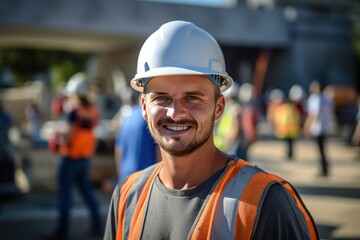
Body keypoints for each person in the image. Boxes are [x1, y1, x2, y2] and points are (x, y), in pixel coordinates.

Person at [104, 20, 318, 240]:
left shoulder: (265, 202)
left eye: (192, 98)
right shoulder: (126, 196)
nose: (175, 113)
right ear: (144, 107)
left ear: (219, 108)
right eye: (161, 98)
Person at [44, 73, 101, 240]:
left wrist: (58, 134)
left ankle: (61, 231)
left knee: (64, 196)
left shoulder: (73, 112)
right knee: (88, 193)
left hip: (70, 158)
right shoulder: (93, 111)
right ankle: (97, 224)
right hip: (84, 158)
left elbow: (68, 135)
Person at [115, 90, 160, 183]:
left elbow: (119, 149)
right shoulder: (149, 119)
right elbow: (159, 150)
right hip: (147, 176)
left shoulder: (126, 118)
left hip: (126, 176)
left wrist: (120, 175)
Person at [303, 80, 333, 176]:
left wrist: (307, 126)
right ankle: (325, 167)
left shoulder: (315, 99)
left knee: (320, 150)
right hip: (326, 127)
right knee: (323, 149)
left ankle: (324, 169)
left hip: (318, 128)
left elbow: (314, 114)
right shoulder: (326, 98)